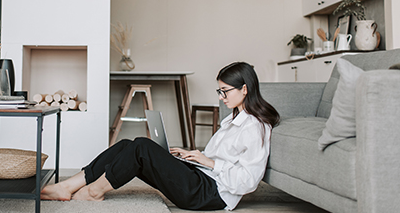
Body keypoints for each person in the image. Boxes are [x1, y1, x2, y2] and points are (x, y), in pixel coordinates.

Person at [41, 62, 280, 211]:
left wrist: (208, 162)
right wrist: (195, 156)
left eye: (225, 91)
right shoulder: (233, 119)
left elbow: (248, 181)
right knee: (127, 145)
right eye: (220, 91)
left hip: (210, 195)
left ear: (244, 89)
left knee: (142, 147)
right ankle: (68, 185)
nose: (221, 97)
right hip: (201, 178)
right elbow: (221, 159)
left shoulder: (255, 128)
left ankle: (94, 192)